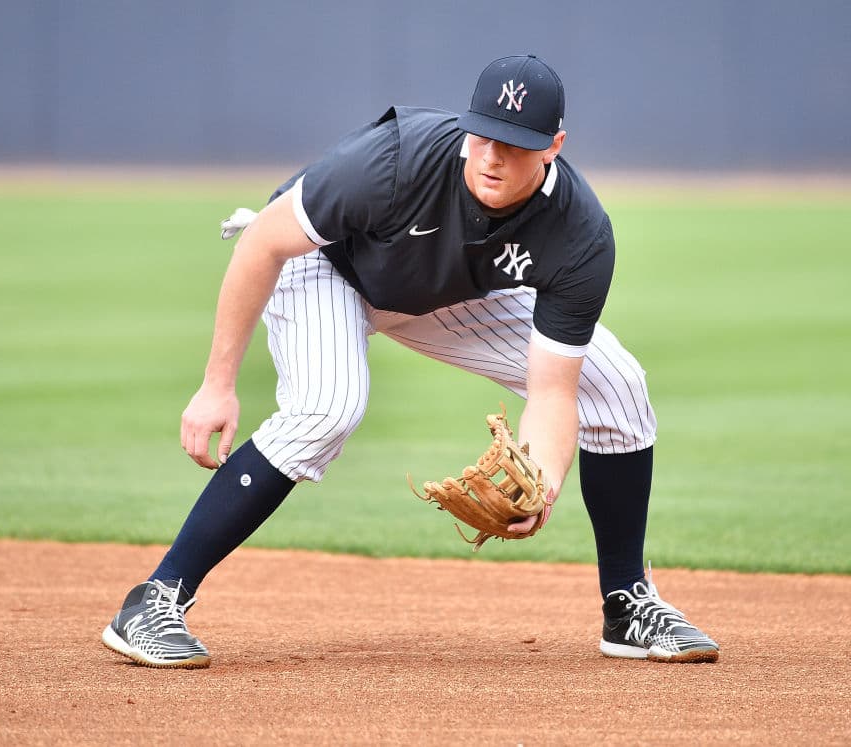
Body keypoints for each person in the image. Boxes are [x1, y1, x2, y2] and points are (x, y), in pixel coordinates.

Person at [101, 54, 719, 668]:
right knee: (327, 408)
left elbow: (555, 390)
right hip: (324, 266)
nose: (493, 156)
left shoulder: (580, 233)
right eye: (485, 136)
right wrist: (218, 384)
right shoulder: (396, 161)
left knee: (617, 386)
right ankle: (155, 600)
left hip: (438, 289)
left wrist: (542, 486)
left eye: (517, 144)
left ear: (554, 146)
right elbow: (264, 240)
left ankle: (628, 605)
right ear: (468, 125)